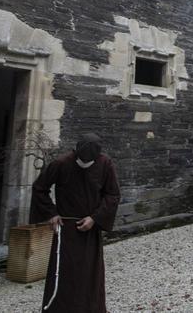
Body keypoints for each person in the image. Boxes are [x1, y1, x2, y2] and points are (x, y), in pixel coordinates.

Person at [30, 133, 121, 313]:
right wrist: (52, 213)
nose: (85, 163)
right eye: (82, 160)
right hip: (66, 228)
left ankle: (91, 309)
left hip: (90, 228)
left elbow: (112, 194)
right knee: (64, 272)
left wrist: (95, 218)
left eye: (90, 161)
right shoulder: (61, 163)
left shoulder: (105, 164)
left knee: (89, 273)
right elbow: (40, 188)